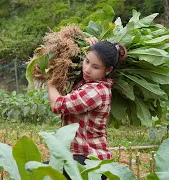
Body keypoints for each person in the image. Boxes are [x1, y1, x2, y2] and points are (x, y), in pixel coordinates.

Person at [47, 37, 127, 180]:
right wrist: (88, 45)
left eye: (95, 67)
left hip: (91, 163)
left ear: (108, 70)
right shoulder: (88, 83)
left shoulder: (97, 92)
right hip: (80, 158)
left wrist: (50, 82)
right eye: (86, 61)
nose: (87, 69)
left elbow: (58, 105)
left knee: (37, 173)